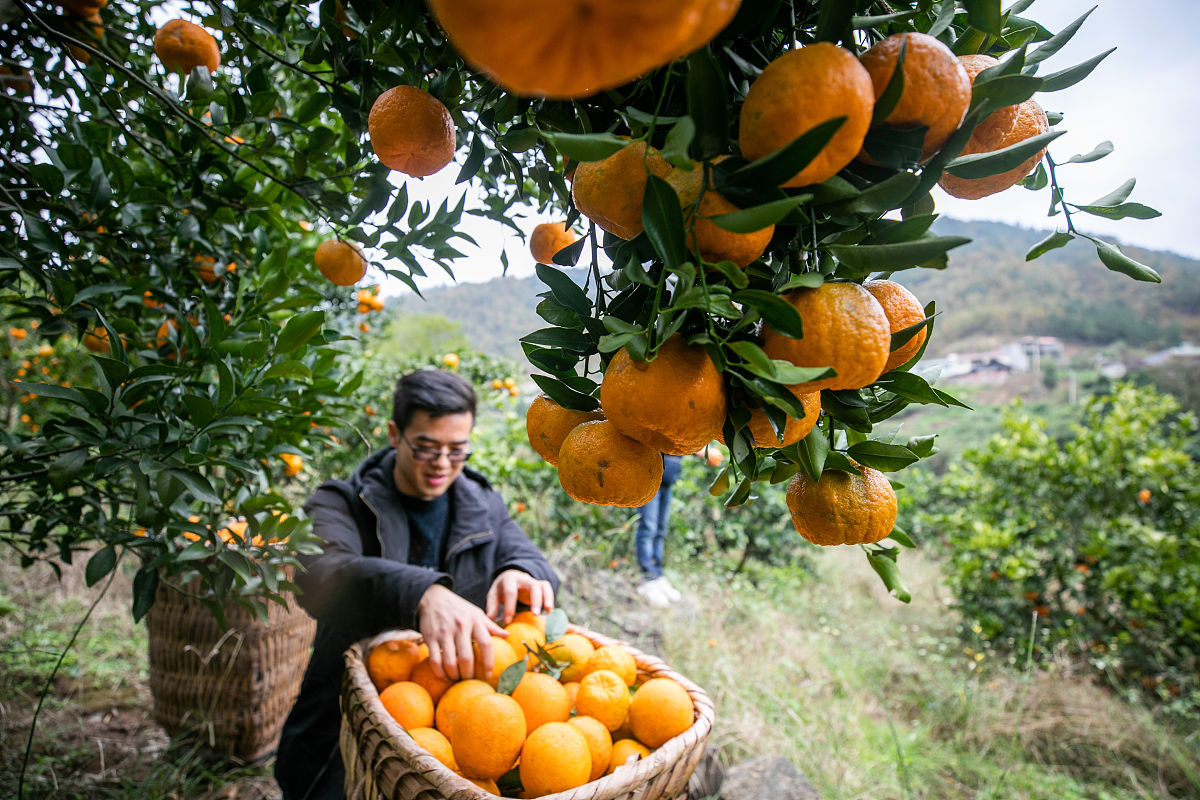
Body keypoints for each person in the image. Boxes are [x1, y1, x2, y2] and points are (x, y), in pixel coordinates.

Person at [275, 369, 559, 800]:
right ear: (395, 433)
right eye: (426, 448)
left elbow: (533, 561)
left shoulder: (481, 503)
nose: (442, 464)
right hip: (346, 728)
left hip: (456, 729)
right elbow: (321, 573)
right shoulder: (342, 502)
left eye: (457, 451)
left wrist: (522, 571)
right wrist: (421, 593)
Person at [634, 453, 684, 607]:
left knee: (660, 529)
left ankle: (657, 573)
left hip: (668, 480)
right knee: (648, 527)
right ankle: (648, 577)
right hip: (650, 476)